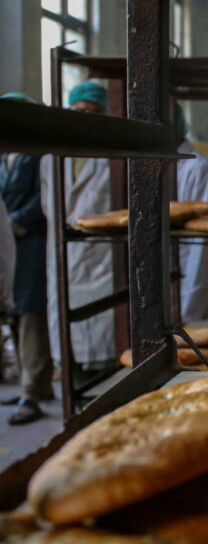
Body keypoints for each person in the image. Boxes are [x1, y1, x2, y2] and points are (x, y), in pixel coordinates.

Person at [41, 81, 118, 386]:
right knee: (68, 338)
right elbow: (50, 206)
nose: (86, 116)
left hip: (100, 261)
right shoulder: (51, 158)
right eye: (79, 111)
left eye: (94, 112)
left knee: (102, 358)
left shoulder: (112, 158)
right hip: (63, 254)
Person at [0, 93, 53, 424]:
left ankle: (32, 392)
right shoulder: (5, 157)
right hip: (9, 246)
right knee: (14, 313)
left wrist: (15, 222)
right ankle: (30, 384)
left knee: (32, 313)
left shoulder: (38, 156)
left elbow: (43, 198)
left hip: (31, 243)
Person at [173, 108, 208, 322]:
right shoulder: (151, 164)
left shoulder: (199, 169)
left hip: (191, 290)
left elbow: (202, 246)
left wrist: (188, 308)